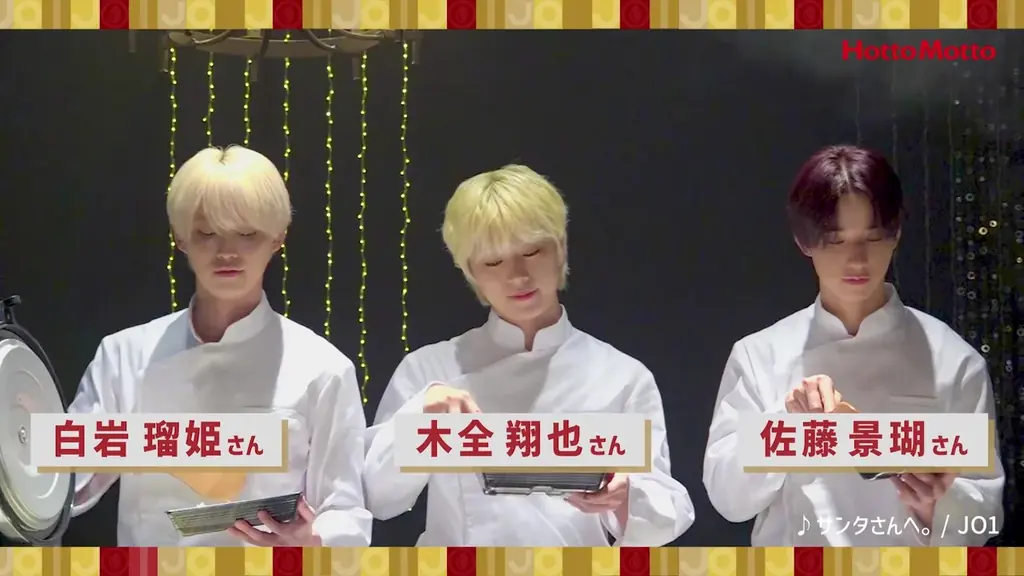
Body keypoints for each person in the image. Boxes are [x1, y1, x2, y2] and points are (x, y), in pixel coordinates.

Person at [363, 164, 694, 547]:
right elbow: (376, 496)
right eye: (493, 262)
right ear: (469, 271)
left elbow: (668, 513)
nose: (517, 276)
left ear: (560, 248)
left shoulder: (622, 377)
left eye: (532, 251)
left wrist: (625, 495)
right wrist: (421, 417)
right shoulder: (429, 370)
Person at [67, 145, 372, 547]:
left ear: (278, 238)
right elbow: (60, 484)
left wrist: (312, 539)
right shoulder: (124, 354)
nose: (227, 252)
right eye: (207, 233)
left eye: (247, 234)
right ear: (180, 238)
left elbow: (347, 512)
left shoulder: (323, 368)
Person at [702, 144, 1005, 546]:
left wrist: (936, 504)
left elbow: (986, 511)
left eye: (873, 238)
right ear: (804, 241)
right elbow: (728, 499)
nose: (858, 261)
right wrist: (787, 425)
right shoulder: (760, 356)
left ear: (896, 234)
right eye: (836, 241)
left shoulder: (954, 360)